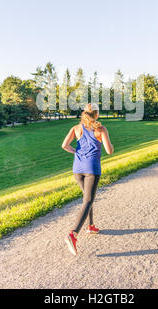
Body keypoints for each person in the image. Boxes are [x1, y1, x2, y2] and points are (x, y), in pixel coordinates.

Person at [61, 102, 114, 256]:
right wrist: (111, 144)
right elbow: (109, 151)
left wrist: (77, 153)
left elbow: (64, 145)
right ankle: (73, 234)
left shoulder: (76, 129)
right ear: (96, 114)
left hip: (77, 168)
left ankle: (90, 226)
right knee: (88, 200)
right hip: (92, 169)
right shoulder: (100, 129)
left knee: (87, 198)